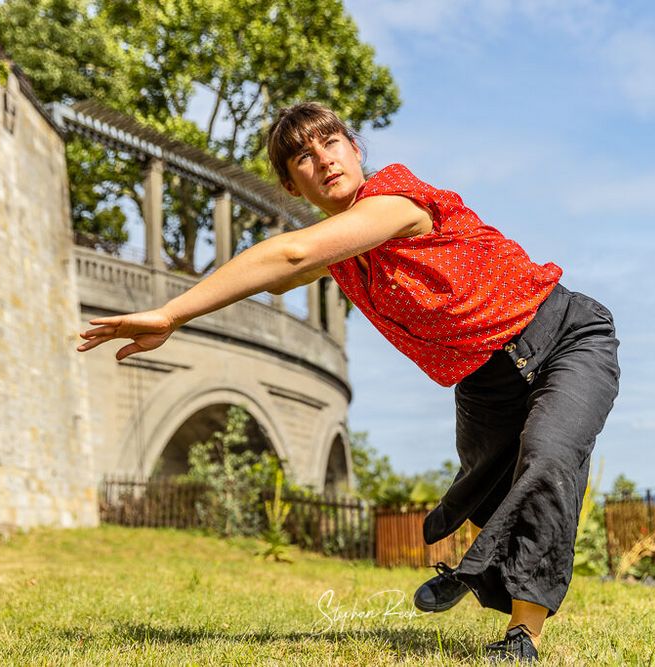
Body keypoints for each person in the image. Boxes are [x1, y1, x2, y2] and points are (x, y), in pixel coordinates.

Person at [77, 101, 620, 663]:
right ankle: (493, 581)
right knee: (490, 493)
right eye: (304, 160)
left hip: (565, 338)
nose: (324, 161)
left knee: (550, 457)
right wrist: (180, 315)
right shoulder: (342, 257)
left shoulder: (396, 195)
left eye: (331, 143)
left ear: (355, 149)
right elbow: (283, 269)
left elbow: (294, 250)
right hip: (484, 383)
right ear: (292, 186)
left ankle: (520, 637)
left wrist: (171, 314)